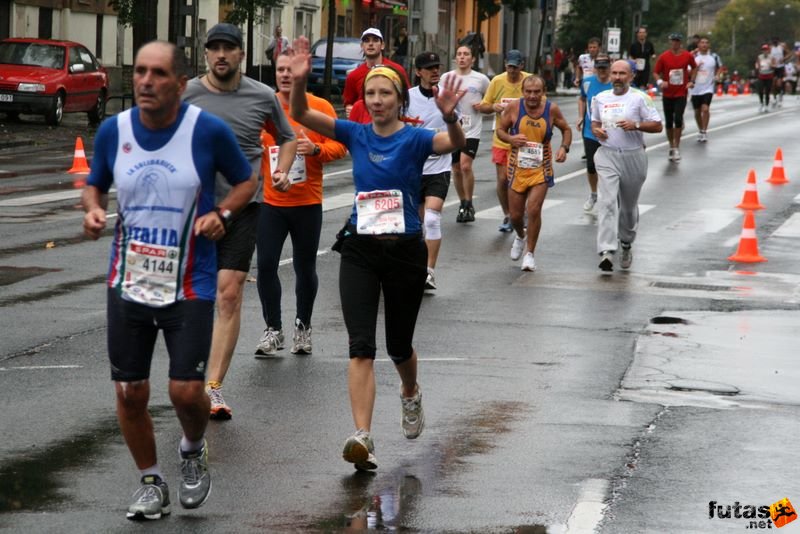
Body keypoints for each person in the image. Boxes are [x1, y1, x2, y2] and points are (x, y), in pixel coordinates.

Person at [81, 40, 258, 520]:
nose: (145, 81)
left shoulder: (206, 132)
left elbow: (247, 181)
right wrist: (94, 209)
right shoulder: (113, 130)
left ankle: (192, 448)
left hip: (190, 283)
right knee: (130, 390)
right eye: (139, 71)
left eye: (158, 74)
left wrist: (222, 213)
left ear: (180, 84)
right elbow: (95, 181)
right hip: (128, 282)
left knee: (184, 390)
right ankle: (150, 480)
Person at [288, 36, 465, 471]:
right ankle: (363, 436)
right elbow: (299, 113)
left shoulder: (417, 139)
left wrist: (450, 117)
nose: (377, 99)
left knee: (398, 345)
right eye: (371, 93)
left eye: (385, 92)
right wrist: (296, 79)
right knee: (361, 346)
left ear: (400, 98)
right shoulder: (355, 132)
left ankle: (410, 393)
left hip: (405, 250)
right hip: (361, 250)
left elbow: (454, 145)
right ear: (363, 100)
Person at [183, 23, 297, 420]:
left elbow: (287, 137)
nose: (220, 55)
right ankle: (187, 376)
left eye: (228, 48)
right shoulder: (189, 94)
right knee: (192, 298)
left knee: (229, 293)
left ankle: (213, 387)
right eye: (213, 48)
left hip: (243, 208)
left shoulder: (262, 95)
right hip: (194, 210)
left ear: (240, 55)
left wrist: (281, 171)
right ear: (206, 54)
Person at [255, 51, 347, 356]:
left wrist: (316, 149)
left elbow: (340, 146)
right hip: (271, 202)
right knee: (266, 265)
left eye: (291, 71)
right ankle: (273, 329)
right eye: (280, 70)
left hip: (307, 202)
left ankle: (303, 327)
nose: (284, 75)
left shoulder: (317, 108)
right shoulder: (263, 106)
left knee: (304, 267)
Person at [591, 60, 663, 272]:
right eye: (614, 73)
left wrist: (636, 125)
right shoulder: (600, 99)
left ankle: (626, 242)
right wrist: (597, 131)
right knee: (607, 202)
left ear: (631, 76)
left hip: (633, 156)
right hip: (607, 155)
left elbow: (658, 125)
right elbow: (594, 123)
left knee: (628, 208)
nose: (617, 77)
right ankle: (606, 251)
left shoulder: (640, 98)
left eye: (622, 74)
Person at [496, 75, 571, 272]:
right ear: (523, 92)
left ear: (543, 92)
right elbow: (500, 130)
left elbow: (566, 128)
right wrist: (511, 139)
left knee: (534, 210)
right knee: (515, 216)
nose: (532, 96)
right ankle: (520, 236)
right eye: (528, 92)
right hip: (517, 167)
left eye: (536, 92)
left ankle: (530, 254)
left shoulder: (551, 109)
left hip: (541, 168)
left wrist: (564, 147)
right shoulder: (514, 108)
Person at [408, 51, 454, 290]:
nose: (435, 71)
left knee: (433, 219)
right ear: (418, 72)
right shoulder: (407, 98)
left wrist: (452, 115)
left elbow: (457, 130)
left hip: (440, 167)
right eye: (429, 68)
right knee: (415, 225)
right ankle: (413, 266)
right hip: (414, 169)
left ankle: (429, 271)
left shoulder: (447, 97)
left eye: (437, 67)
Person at [479, 49, 530, 232]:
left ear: (522, 66)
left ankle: (519, 212)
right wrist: (494, 106)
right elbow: (483, 106)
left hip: (524, 140)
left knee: (520, 179)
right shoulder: (497, 81)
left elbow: (542, 104)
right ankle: (508, 214)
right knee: (502, 179)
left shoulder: (529, 81)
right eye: (509, 67)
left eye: (515, 67)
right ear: (505, 65)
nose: (512, 71)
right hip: (502, 138)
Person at [440, 44, 490, 223]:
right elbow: (438, 101)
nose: (462, 57)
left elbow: (490, 102)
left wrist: (483, 106)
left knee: (465, 166)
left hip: (472, 130)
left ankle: (468, 202)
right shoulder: (447, 78)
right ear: (455, 58)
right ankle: (463, 203)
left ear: (472, 59)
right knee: (455, 168)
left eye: (466, 54)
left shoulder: (481, 79)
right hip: (453, 129)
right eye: (459, 54)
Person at [342, 28, 410, 118]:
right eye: (366, 41)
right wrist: (350, 109)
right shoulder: (353, 76)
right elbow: (348, 103)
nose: (370, 44)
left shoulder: (397, 70)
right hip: (364, 127)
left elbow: (408, 97)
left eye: (375, 40)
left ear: (382, 45)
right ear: (362, 46)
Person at [653, 32, 696, 162]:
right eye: (673, 41)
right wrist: (660, 82)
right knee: (668, 121)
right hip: (667, 93)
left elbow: (694, 68)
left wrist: (691, 81)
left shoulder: (687, 55)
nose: (675, 43)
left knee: (678, 119)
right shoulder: (664, 57)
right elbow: (656, 72)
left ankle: (676, 147)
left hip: (681, 92)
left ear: (680, 42)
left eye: (677, 41)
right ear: (670, 42)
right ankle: (671, 146)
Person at [577, 54, 613, 214]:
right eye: (599, 68)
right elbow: (582, 99)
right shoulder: (587, 82)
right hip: (590, 131)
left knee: (609, 167)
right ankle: (593, 194)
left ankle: (609, 197)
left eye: (605, 67)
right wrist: (580, 116)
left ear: (609, 67)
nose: (602, 71)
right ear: (595, 68)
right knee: (592, 166)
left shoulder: (615, 82)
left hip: (612, 131)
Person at [690, 36, 720, 143]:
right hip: (695, 88)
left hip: (708, 88)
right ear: (698, 45)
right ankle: (700, 129)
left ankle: (704, 131)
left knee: (705, 109)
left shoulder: (714, 57)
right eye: (702, 43)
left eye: (706, 43)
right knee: (697, 112)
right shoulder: (694, 57)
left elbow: (719, 67)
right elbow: (688, 71)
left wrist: (717, 75)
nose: (704, 45)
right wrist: (696, 68)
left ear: (709, 45)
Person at [769, 37, 790, 107]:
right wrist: (770, 63)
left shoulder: (782, 46)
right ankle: (774, 98)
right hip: (773, 67)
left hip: (780, 67)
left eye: (776, 41)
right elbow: (768, 57)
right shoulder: (770, 48)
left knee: (779, 83)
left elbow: (789, 54)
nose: (775, 43)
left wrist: (783, 59)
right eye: (773, 41)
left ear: (778, 41)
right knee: (773, 83)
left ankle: (780, 96)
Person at [755, 44, 776, 112]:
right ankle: (761, 103)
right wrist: (758, 67)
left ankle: (766, 105)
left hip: (769, 75)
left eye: (766, 50)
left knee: (767, 91)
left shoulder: (771, 57)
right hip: (762, 75)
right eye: (763, 50)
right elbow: (757, 64)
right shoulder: (760, 57)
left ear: (768, 50)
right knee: (760, 90)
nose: (765, 51)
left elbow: (774, 65)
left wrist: (771, 65)